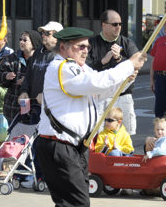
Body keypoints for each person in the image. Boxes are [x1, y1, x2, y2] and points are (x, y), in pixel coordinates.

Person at [35, 27, 145, 207]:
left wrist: (128, 78)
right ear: (63, 47)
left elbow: (103, 91)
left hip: (76, 146)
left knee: (69, 203)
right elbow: (95, 83)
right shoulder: (62, 67)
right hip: (59, 145)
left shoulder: (80, 67)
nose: (86, 50)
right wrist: (128, 65)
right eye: (80, 47)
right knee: (78, 203)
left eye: (87, 47)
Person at [87, 9, 140, 135]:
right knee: (98, 135)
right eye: (115, 24)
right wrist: (103, 62)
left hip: (123, 96)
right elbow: (85, 68)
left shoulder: (126, 43)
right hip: (100, 97)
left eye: (120, 24)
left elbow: (139, 60)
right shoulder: (92, 44)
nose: (118, 27)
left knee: (124, 136)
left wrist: (119, 58)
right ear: (104, 25)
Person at [0, 30, 40, 122]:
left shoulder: (40, 60)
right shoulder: (12, 58)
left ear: (34, 43)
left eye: (25, 40)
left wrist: (28, 80)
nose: (21, 42)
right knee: (14, 134)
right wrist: (5, 76)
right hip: (13, 106)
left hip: (34, 105)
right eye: (20, 39)